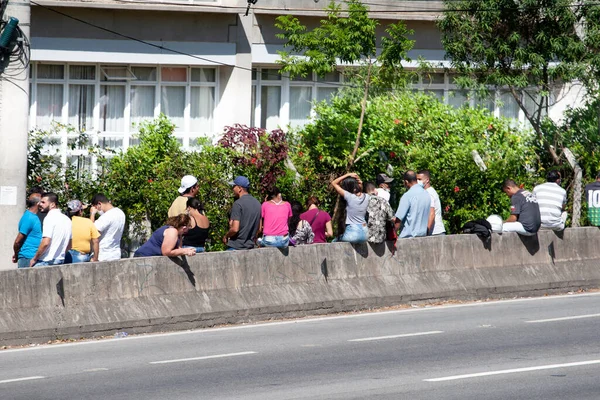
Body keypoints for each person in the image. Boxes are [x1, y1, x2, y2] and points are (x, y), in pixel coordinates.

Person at [30, 192, 72, 267]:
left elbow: (45, 242)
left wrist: (35, 258)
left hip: (45, 261)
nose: (40, 204)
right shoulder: (67, 219)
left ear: (52, 204)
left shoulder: (49, 218)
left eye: (43, 202)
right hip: (60, 260)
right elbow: (70, 245)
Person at [223, 176, 261, 250]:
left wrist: (226, 236)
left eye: (234, 186)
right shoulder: (258, 203)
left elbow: (235, 229)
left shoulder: (238, 204)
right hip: (250, 247)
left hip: (236, 246)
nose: (232, 189)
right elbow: (259, 229)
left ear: (240, 188)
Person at [331, 172, 370, 243]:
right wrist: (359, 180)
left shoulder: (349, 197)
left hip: (353, 233)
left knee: (334, 241)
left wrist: (347, 175)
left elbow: (334, 183)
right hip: (365, 233)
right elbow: (360, 191)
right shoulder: (367, 197)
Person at [395, 170, 431, 238]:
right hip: (422, 238)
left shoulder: (407, 196)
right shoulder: (426, 194)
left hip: (407, 239)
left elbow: (398, 220)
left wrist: (393, 233)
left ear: (406, 182)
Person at [90, 194, 126, 261]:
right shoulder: (121, 213)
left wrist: (92, 214)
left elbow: (92, 233)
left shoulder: (106, 217)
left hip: (103, 255)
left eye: (96, 208)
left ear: (99, 204)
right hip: (115, 254)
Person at [12, 192, 43, 268]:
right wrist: (16, 254)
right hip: (28, 258)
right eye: (42, 202)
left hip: (31, 257)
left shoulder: (32, 217)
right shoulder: (29, 218)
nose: (43, 204)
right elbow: (17, 241)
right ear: (38, 203)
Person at [417, 170, 446, 236]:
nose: (417, 181)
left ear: (427, 180)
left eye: (419, 179)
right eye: (417, 179)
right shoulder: (429, 191)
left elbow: (431, 214)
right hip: (435, 232)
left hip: (435, 232)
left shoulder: (429, 193)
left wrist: (426, 231)